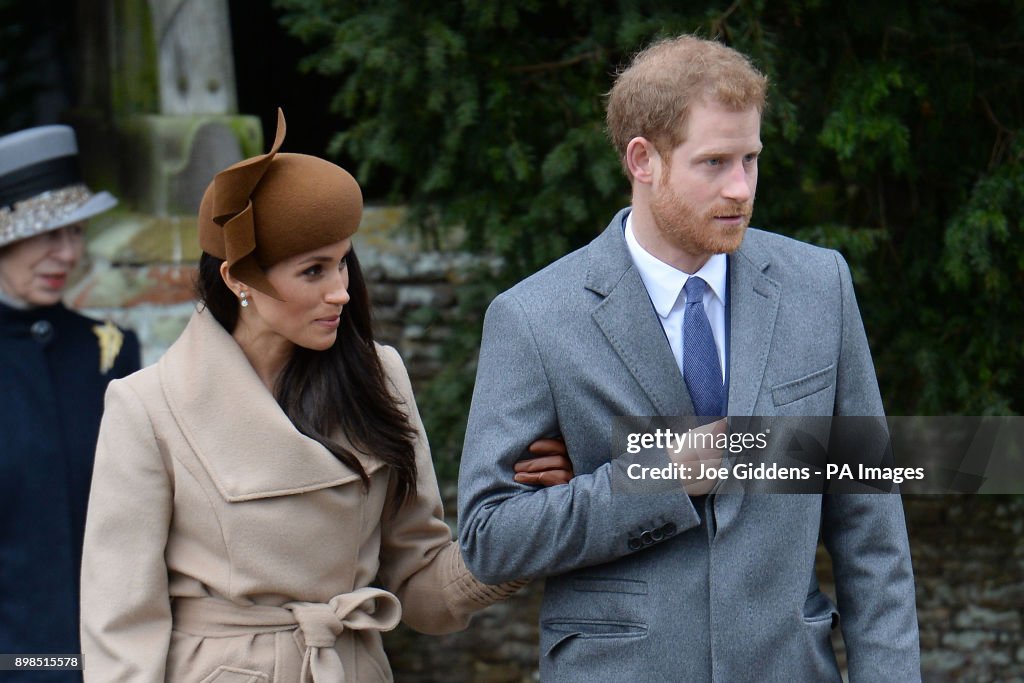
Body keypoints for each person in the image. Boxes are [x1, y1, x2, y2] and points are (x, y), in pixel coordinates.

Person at [458, 35, 920, 682]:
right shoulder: (534, 318)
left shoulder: (820, 287)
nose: (741, 188)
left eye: (751, 159)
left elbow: (870, 526)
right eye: (714, 163)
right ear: (643, 159)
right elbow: (488, 538)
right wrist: (657, 474)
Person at [79, 110, 571, 682]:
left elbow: (422, 586)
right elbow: (121, 628)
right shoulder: (147, 408)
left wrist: (531, 522)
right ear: (239, 279)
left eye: (343, 262)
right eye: (313, 271)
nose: (341, 291)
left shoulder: (377, 376)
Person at [0, 124, 141, 680]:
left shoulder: (108, 350)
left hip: (111, 657)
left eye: (77, 232)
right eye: (46, 234)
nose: (68, 252)